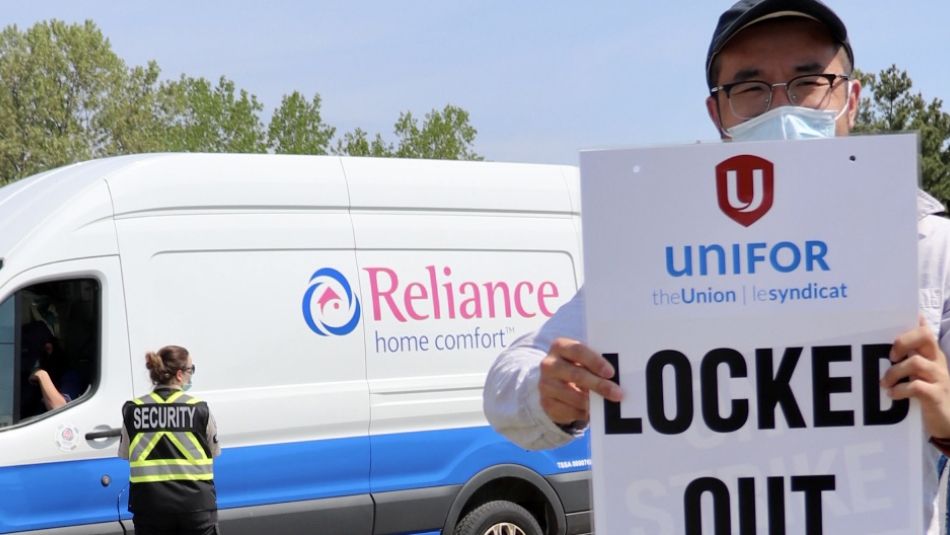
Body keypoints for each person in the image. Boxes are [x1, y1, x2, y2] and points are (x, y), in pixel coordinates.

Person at [483, 0, 950, 532]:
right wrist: (547, 393)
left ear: (851, 97)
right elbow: (508, 382)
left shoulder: (931, 246)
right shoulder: (653, 253)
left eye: (808, 81)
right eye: (750, 89)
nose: (783, 110)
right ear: (717, 114)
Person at [119, 345, 221, 535]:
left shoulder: (133, 410)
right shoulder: (200, 409)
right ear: (180, 375)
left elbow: (125, 454)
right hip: (196, 508)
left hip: (150, 508)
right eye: (191, 370)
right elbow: (214, 452)